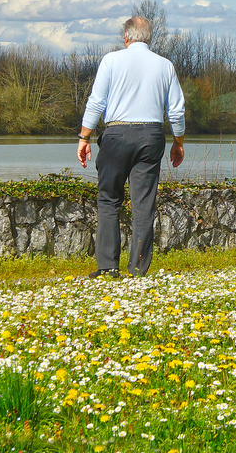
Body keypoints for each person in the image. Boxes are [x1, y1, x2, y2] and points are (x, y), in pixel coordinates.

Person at [77, 15, 186, 278]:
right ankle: (138, 269)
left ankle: (107, 266)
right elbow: (177, 110)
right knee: (143, 204)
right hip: (151, 135)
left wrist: (85, 137)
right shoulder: (165, 65)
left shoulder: (111, 61)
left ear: (125, 37)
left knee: (109, 199)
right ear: (149, 38)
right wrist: (178, 142)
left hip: (116, 134)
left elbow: (96, 102)